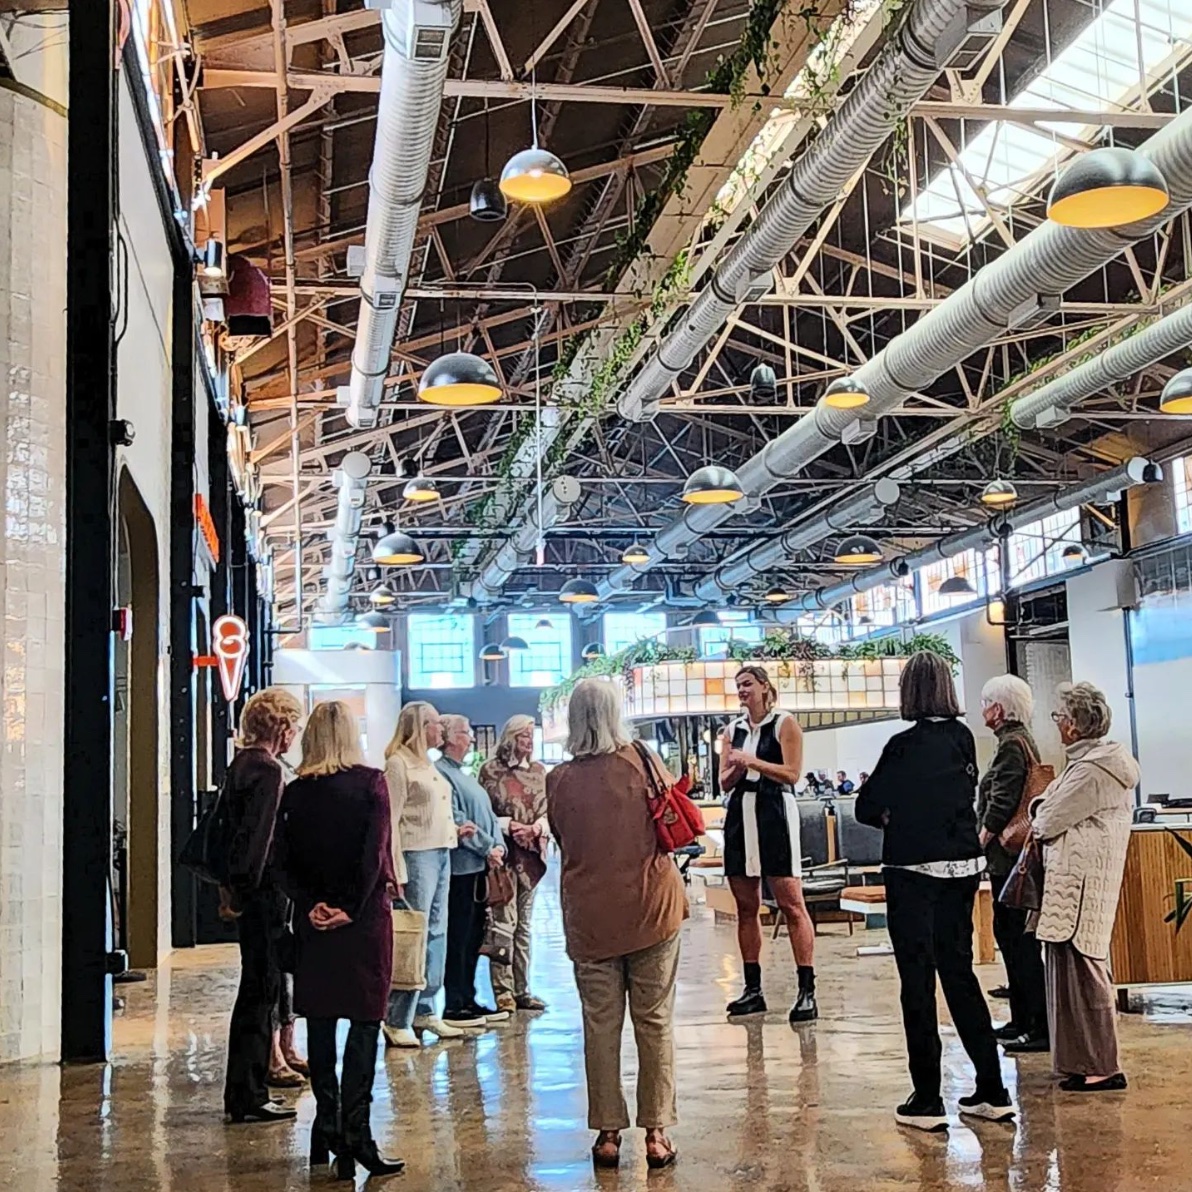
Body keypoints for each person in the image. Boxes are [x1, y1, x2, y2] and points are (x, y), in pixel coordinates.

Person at [855, 652, 1014, 1131]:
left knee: (918, 982)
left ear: (909, 692)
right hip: (963, 866)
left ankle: (927, 1098)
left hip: (912, 870)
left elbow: (867, 805)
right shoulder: (963, 738)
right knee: (960, 974)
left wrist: (892, 816)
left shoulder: (901, 746)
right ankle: (992, 1088)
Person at [548, 678, 686, 1171]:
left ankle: (608, 1133)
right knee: (654, 1022)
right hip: (652, 908)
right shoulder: (643, 762)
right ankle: (656, 1133)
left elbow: (563, 840)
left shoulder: (558, 779)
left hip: (589, 918)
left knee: (600, 1026)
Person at [273, 700, 403, 1179]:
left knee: (322, 1025)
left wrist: (312, 905)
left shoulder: (295, 793)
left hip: (314, 924)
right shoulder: (371, 784)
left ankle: (324, 1127)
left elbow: (280, 863)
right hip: (364, 923)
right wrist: (350, 906)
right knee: (366, 1023)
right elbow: (374, 856)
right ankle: (357, 1134)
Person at [1033, 681, 1137, 1092]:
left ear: (1075, 725)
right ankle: (1079, 1061)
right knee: (1068, 975)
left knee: (1085, 972)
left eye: (1059, 717)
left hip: (1082, 885)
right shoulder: (1088, 764)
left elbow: (1046, 819)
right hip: (1072, 884)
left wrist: (1040, 806)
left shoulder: (1096, 769)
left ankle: (1102, 1066)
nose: (1056, 724)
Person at [222, 687, 303, 1124]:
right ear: (281, 727)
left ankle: (245, 1090)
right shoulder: (269, 771)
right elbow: (257, 841)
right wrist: (250, 890)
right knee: (262, 991)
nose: (294, 736)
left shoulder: (241, 765)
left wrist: (232, 891)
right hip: (264, 896)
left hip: (247, 894)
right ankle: (249, 1094)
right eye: (293, 727)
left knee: (254, 990)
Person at [718, 665, 817, 1023]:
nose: (742, 690)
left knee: (791, 902)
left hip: (775, 807)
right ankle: (752, 988)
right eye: (738, 685)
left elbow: (792, 773)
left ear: (764, 687)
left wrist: (754, 761)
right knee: (746, 905)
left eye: (747, 684)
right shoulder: (732, 730)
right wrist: (738, 768)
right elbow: (724, 782)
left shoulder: (784, 723)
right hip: (740, 813)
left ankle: (806, 989)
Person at [383, 700, 469, 1047]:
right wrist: (395, 868)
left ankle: (427, 1009)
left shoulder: (428, 765)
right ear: (419, 727)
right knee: (413, 936)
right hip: (415, 856)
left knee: (437, 933)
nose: (441, 729)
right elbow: (389, 820)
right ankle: (397, 1016)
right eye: (435, 723)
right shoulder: (398, 765)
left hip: (441, 851)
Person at [977, 674, 1048, 1054]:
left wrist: (981, 840)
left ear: (999, 709)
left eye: (986, 702)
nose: (982, 709)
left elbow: (1001, 801)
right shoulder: (1021, 740)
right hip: (1013, 859)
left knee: (1018, 943)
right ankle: (1022, 1019)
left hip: (1009, 860)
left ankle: (1035, 1025)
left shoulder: (1010, 746)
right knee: (1013, 940)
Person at [437, 714, 509, 1025]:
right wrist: (485, 847)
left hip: (478, 866)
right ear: (450, 738)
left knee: (472, 937)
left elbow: (487, 816)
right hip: (460, 869)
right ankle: (455, 1002)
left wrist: (498, 846)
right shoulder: (442, 774)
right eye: (466, 733)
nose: (472, 739)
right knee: (459, 936)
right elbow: (456, 818)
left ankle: (467, 996)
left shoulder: (463, 774)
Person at [479, 715, 550, 1014]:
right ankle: (503, 991)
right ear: (510, 738)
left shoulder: (538, 771)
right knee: (502, 925)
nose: (529, 740)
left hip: (531, 856)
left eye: (531, 734)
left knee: (525, 926)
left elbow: (549, 810)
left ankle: (523, 989)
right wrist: (511, 826)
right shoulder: (490, 770)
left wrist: (537, 828)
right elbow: (483, 813)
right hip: (503, 858)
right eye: (523, 735)